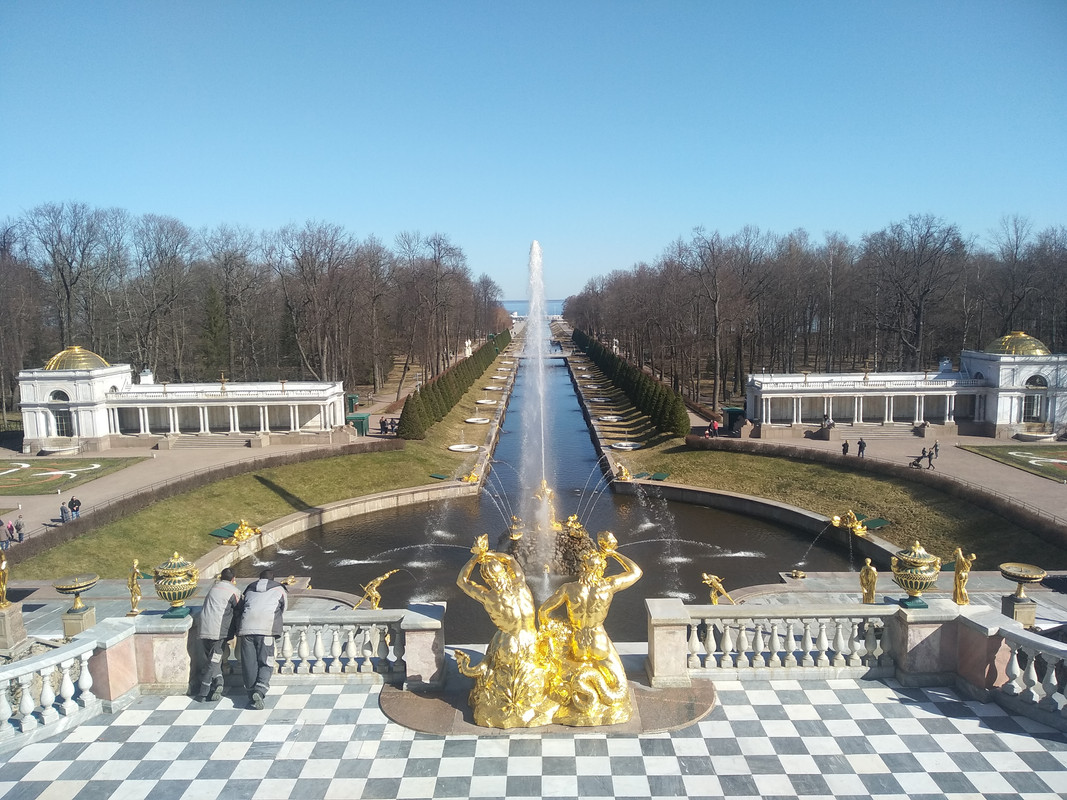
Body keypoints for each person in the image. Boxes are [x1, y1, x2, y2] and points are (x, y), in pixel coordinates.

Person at [538, 531, 642, 725]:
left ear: (583, 567)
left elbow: (544, 611)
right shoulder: (607, 586)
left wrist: (552, 629)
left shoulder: (569, 589)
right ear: (602, 568)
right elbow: (636, 572)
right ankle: (593, 697)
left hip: (577, 644)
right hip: (598, 641)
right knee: (620, 686)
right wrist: (612, 553)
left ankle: (579, 696)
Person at [454, 535, 556, 728]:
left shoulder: (488, 596)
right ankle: (529, 702)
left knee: (502, 674)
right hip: (531, 640)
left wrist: (477, 556)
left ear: (486, 579)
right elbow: (510, 559)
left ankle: (501, 702)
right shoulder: (520, 584)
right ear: (504, 572)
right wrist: (491, 554)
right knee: (529, 674)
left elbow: (462, 581)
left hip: (509, 644)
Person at [238, 569, 288, 709]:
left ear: (259, 578)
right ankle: (260, 690)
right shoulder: (279, 590)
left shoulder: (249, 589)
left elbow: (242, 608)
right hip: (266, 630)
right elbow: (283, 609)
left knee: (249, 663)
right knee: (266, 661)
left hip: (246, 630)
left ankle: (251, 693)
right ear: (273, 579)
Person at [197, 568, 243, 702]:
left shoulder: (213, 588)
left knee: (212, 658)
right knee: (214, 659)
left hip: (203, 628)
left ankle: (219, 683)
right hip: (217, 631)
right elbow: (239, 609)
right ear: (233, 579)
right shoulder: (234, 592)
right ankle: (204, 691)